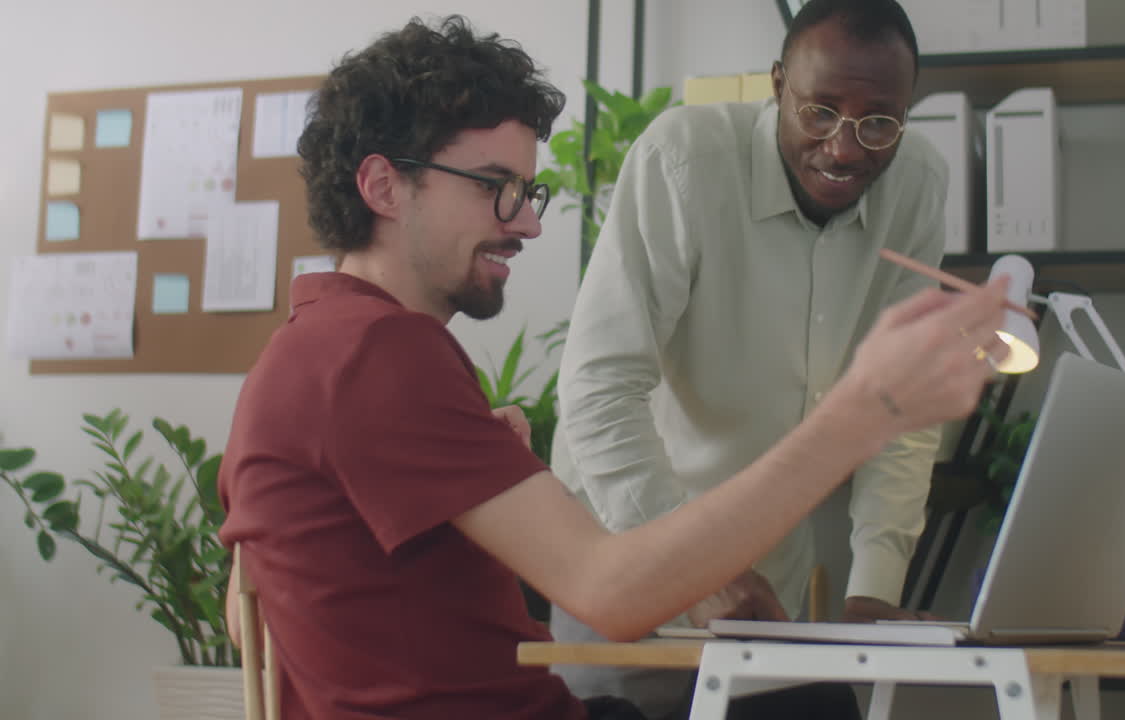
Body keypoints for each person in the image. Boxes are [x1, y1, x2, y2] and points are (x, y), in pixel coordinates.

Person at [218, 13, 1010, 720]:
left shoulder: (317, 350)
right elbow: (612, 592)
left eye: (527, 192)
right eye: (497, 190)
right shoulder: (377, 358)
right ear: (384, 184)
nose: (527, 223)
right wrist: (864, 410)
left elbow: (250, 606)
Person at [549, 0, 949, 716]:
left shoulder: (916, 185)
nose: (846, 148)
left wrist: (873, 591)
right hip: (627, 538)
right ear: (775, 86)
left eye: (879, 122)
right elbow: (598, 389)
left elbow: (903, 404)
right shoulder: (686, 161)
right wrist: (689, 570)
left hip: (764, 580)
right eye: (820, 111)